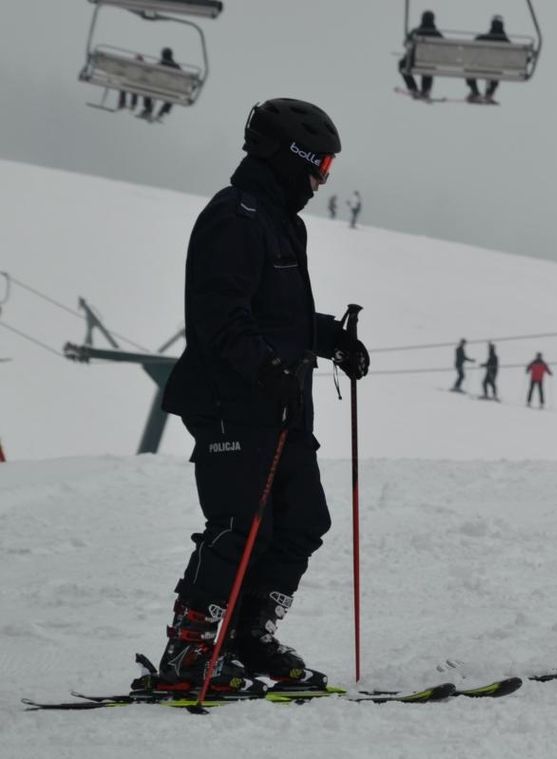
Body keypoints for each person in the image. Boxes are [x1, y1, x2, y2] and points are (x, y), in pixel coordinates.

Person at [156, 98, 371, 696]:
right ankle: (190, 650)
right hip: (233, 400)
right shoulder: (235, 217)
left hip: (280, 404)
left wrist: (333, 340)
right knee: (239, 524)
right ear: (289, 155)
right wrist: (266, 369)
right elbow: (220, 316)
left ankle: (246, 635)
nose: (322, 177)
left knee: (303, 521)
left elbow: (279, 315)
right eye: (319, 163)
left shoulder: (279, 221)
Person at [465, 15, 510, 103]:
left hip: (479, 67)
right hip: (495, 70)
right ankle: (489, 93)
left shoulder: (481, 38)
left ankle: (475, 92)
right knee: (496, 70)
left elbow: (470, 51)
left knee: (469, 68)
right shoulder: (507, 43)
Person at [399, 10, 443, 100]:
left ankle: (413, 88)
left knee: (402, 65)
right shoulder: (436, 33)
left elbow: (406, 44)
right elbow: (444, 47)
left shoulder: (416, 31)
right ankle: (426, 89)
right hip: (429, 62)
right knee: (428, 66)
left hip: (413, 60)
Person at [139, 47, 180, 122]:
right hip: (169, 91)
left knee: (147, 89)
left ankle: (148, 109)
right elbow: (180, 78)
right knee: (173, 95)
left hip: (156, 88)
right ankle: (163, 112)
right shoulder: (176, 67)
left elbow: (150, 71)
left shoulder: (160, 64)